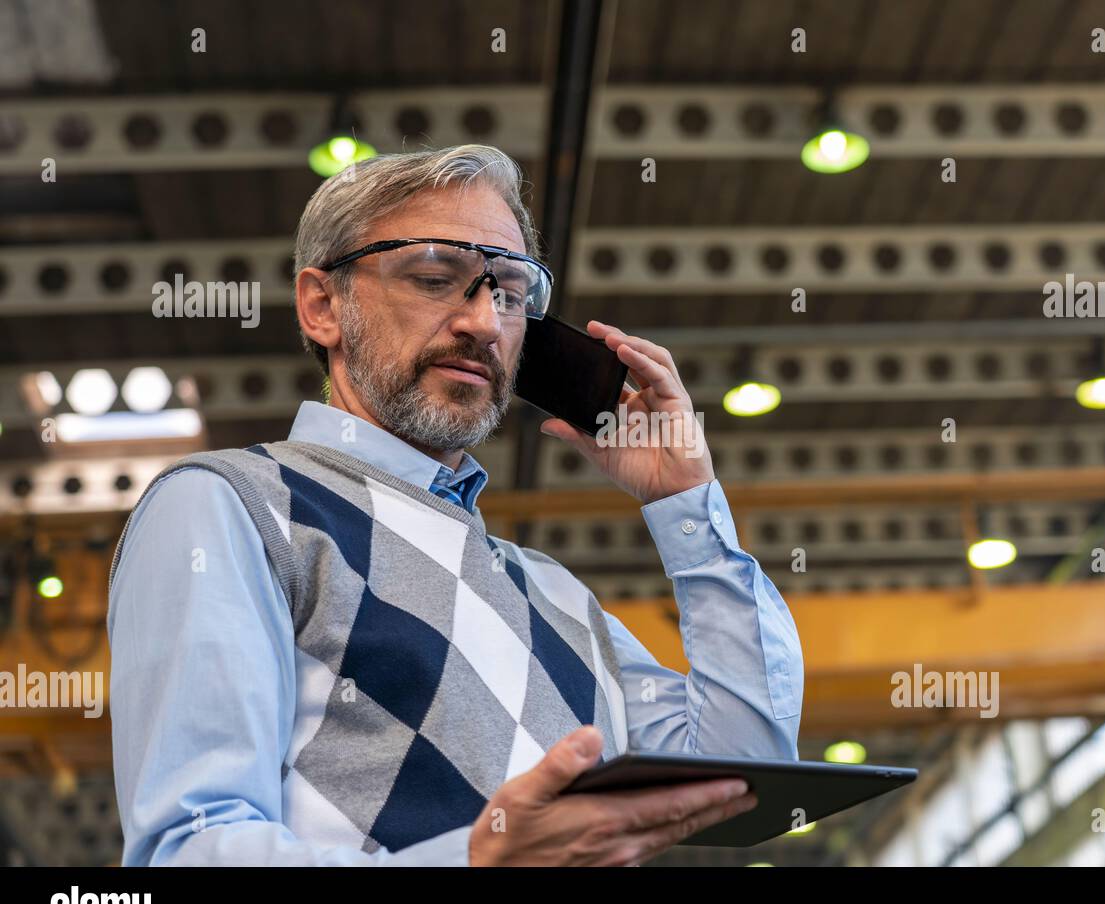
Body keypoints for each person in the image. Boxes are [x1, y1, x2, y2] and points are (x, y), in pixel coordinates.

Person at [107, 144, 803, 866]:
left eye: (507, 292)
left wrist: (685, 505)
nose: (482, 322)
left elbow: (744, 770)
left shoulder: (556, 595)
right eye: (436, 278)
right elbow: (188, 851)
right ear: (323, 306)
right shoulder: (232, 506)